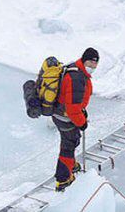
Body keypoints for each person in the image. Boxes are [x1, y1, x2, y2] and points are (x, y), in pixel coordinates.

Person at [52, 47, 99, 191]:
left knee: (72, 139)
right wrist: (82, 123)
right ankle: (63, 178)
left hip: (60, 113)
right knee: (69, 144)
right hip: (65, 116)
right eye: (90, 64)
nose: (92, 68)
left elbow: (75, 103)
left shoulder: (76, 70)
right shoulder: (77, 78)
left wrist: (81, 113)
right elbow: (72, 108)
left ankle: (70, 164)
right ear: (84, 61)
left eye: (94, 65)